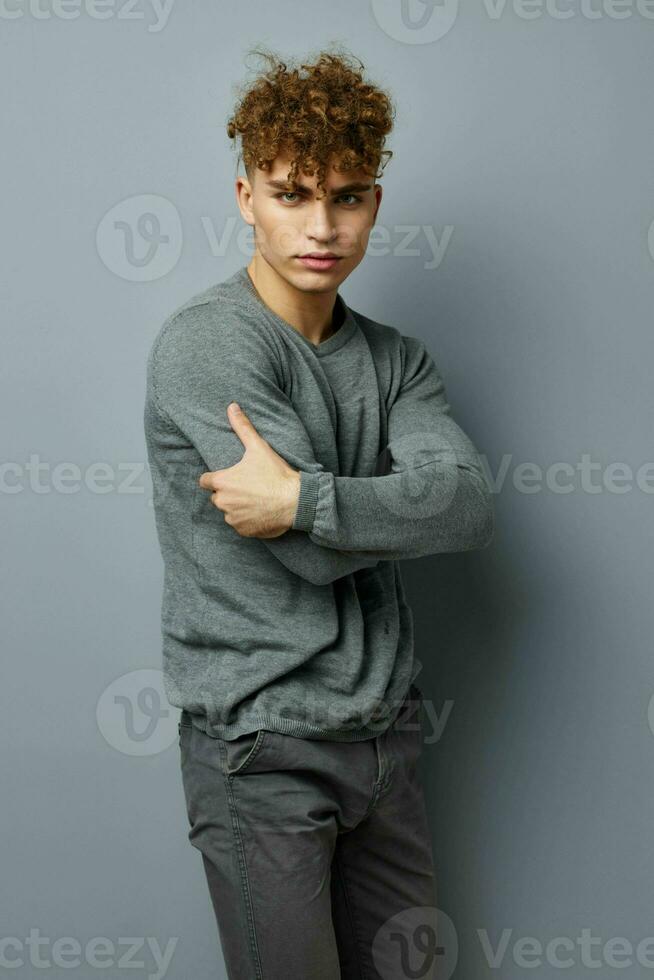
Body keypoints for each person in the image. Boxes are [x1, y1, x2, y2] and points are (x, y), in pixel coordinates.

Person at [144, 46, 494, 980]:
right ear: (245, 197)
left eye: (346, 195)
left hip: (386, 739)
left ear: (375, 203)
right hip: (262, 750)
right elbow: (314, 562)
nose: (321, 224)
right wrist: (374, 512)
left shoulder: (397, 361)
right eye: (292, 194)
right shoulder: (206, 346)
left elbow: (464, 507)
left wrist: (301, 496)